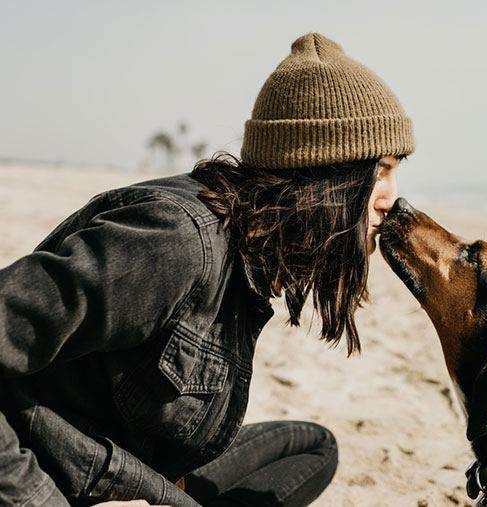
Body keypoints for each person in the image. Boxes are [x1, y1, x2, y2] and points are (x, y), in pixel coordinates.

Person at [0, 32, 414, 506]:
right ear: (324, 172)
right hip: (65, 471)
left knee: (313, 447)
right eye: (380, 170)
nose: (391, 198)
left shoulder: (250, 242)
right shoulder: (172, 242)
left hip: (134, 463)